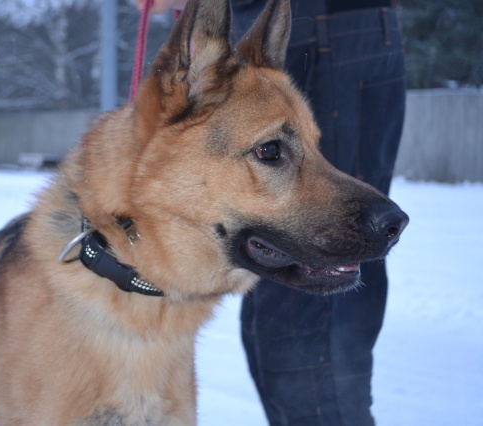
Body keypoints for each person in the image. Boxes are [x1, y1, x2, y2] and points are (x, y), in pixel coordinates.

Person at [136, 1, 406, 425]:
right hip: (326, 27)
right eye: (271, 152)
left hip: (325, 26)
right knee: (277, 320)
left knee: (306, 336)